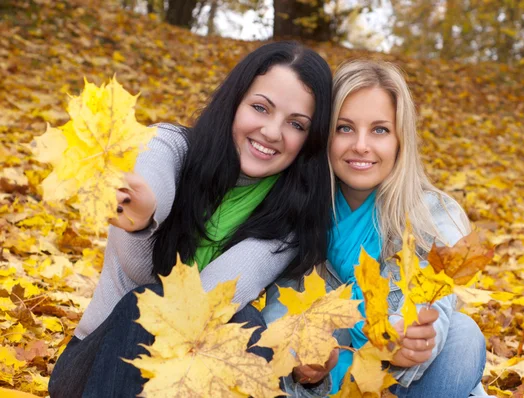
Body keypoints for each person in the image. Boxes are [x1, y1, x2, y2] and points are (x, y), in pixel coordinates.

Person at [48, 41, 333, 397]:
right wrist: (143, 217)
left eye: (296, 124)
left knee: (247, 327)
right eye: (260, 108)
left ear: (310, 140)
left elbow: (208, 299)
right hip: (95, 366)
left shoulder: (288, 220)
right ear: (235, 103)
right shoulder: (169, 146)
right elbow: (142, 269)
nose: (273, 132)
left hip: (190, 375)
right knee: (145, 304)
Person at [262, 59, 489, 397]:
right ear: (325, 135)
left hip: (409, 383)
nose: (361, 145)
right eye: (345, 128)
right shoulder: (298, 213)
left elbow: (438, 302)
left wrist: (412, 338)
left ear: (400, 139)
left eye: (379, 130)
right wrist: (300, 358)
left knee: (463, 335)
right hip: (325, 390)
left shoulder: (435, 216)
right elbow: (281, 305)